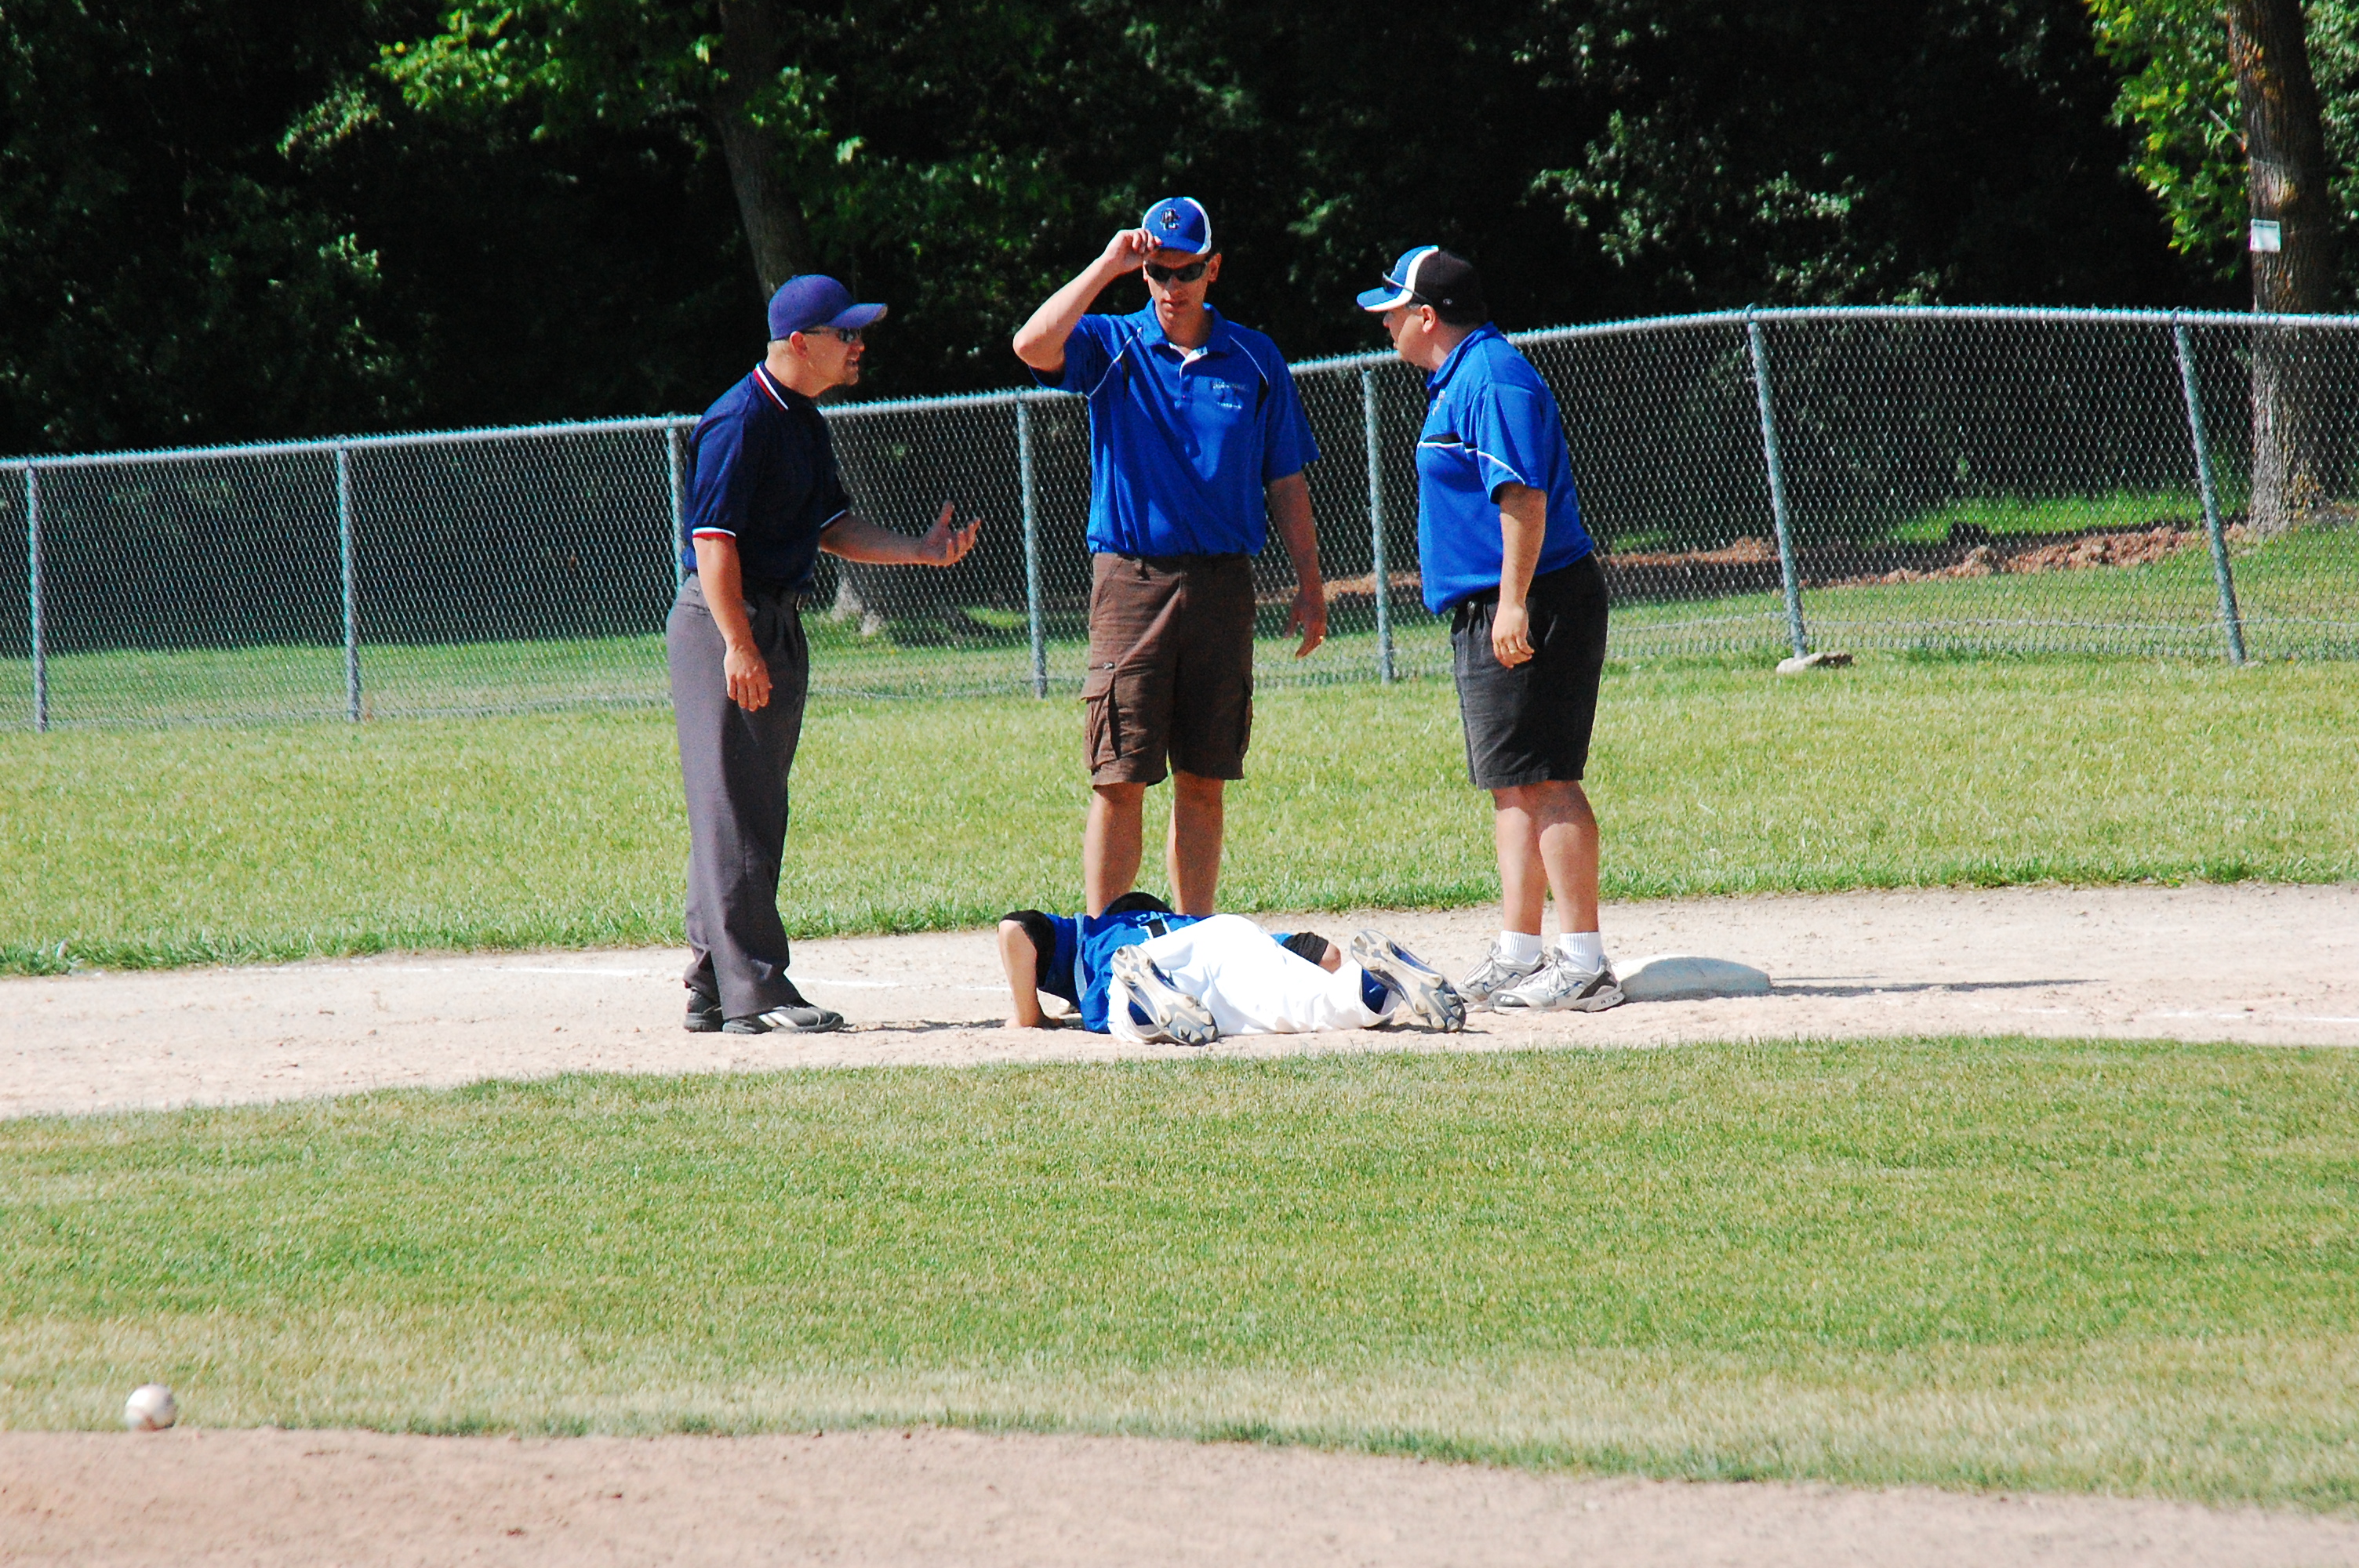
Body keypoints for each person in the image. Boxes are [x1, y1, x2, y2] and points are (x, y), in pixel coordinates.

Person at [671, 274, 980, 1035]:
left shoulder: (802, 420)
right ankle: (757, 992)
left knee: (749, 805)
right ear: (799, 344)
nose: (859, 344)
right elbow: (713, 543)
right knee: (736, 812)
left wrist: (918, 551)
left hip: (770, 619)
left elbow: (830, 527)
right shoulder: (740, 419)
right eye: (846, 333)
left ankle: (713, 982)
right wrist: (738, 644)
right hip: (726, 621)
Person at [1011, 197, 1326, 919]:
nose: (1171, 287)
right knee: (1119, 774)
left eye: (1186, 271)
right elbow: (1031, 345)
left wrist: (1310, 583)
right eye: (1159, 273)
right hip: (1132, 578)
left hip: (1223, 582)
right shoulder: (1113, 342)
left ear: (1213, 269)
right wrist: (1108, 266)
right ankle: (1106, 948)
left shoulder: (1255, 357)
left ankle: (1195, 940)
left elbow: (1286, 480)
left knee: (1205, 777)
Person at [1358, 247, 1623, 1013]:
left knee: (1548, 778)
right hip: (1495, 601)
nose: (1385, 323)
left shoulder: (1491, 377)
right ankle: (1519, 951)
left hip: (1535, 596)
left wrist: (1512, 603)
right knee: (1511, 783)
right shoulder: (1461, 377)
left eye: (1393, 310)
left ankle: (1584, 963)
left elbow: (1523, 498)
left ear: (1427, 316)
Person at [996, 893, 1466, 1045]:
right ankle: (1375, 979)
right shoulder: (1188, 921)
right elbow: (1326, 955)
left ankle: (1145, 999)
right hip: (1225, 935)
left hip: (1139, 964)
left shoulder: (1094, 932)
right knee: (1325, 1003)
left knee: (1122, 1011)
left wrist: (1030, 1016)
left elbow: (1015, 928)